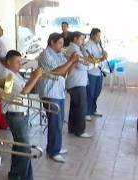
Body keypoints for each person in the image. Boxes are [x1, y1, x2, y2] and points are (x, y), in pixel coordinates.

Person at [1, 50, 43, 180]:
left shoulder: (15, 74)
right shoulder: (8, 76)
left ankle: (14, 175)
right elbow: (24, 91)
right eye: (17, 62)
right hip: (15, 115)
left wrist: (34, 79)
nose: (20, 64)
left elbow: (25, 88)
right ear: (8, 62)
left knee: (19, 146)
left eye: (21, 62)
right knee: (25, 149)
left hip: (21, 114)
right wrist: (35, 76)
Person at [38, 32, 79, 163]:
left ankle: (55, 147)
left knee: (59, 122)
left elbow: (66, 72)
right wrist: (71, 60)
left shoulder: (59, 54)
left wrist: (74, 62)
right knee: (54, 122)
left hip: (59, 92)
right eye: (60, 43)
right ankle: (53, 151)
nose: (62, 46)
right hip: (49, 93)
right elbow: (58, 71)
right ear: (52, 42)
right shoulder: (45, 55)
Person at [66, 31, 93, 138]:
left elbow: (84, 61)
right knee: (81, 107)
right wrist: (92, 65)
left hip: (77, 81)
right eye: (81, 39)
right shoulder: (74, 50)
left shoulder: (77, 49)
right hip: (77, 82)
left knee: (74, 107)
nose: (83, 41)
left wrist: (87, 57)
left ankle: (72, 128)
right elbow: (81, 66)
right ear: (75, 39)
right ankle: (80, 130)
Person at [84, 28, 108, 121]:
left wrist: (104, 54)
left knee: (97, 92)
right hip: (91, 72)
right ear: (93, 35)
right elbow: (91, 59)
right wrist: (101, 59)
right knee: (90, 93)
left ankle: (93, 109)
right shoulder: (88, 45)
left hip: (99, 72)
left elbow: (101, 54)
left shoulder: (98, 44)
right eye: (97, 36)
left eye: (99, 36)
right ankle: (87, 112)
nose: (99, 38)